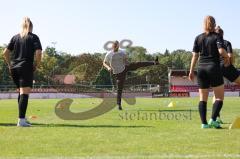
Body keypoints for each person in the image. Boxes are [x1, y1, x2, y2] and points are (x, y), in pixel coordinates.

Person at [188, 16, 230, 129]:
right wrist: (227, 57)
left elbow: (195, 56)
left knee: (202, 98)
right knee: (219, 98)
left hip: (201, 68)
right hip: (213, 68)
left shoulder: (198, 38)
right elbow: (221, 51)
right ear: (214, 24)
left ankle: (204, 124)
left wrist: (191, 71)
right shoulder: (217, 36)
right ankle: (213, 119)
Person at [3, 17, 42, 127]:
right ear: (31, 27)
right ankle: (21, 121)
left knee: (21, 93)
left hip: (15, 68)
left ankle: (22, 119)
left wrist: (10, 65)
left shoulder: (15, 37)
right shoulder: (33, 37)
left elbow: (5, 52)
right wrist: (37, 65)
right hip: (26, 67)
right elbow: (38, 53)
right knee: (24, 93)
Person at [103, 41, 159, 110]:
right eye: (114, 46)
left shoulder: (122, 52)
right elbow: (104, 63)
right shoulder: (109, 54)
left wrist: (129, 64)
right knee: (119, 88)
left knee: (137, 64)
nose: (116, 47)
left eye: (117, 46)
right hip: (118, 73)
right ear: (112, 46)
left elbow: (126, 61)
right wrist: (108, 67)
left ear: (118, 46)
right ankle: (119, 105)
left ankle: (154, 62)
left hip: (124, 67)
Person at [213, 26, 240, 124]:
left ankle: (216, 118)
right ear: (222, 34)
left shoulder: (212, 43)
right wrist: (230, 64)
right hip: (226, 66)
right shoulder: (226, 43)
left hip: (215, 68)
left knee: (217, 94)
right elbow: (230, 56)